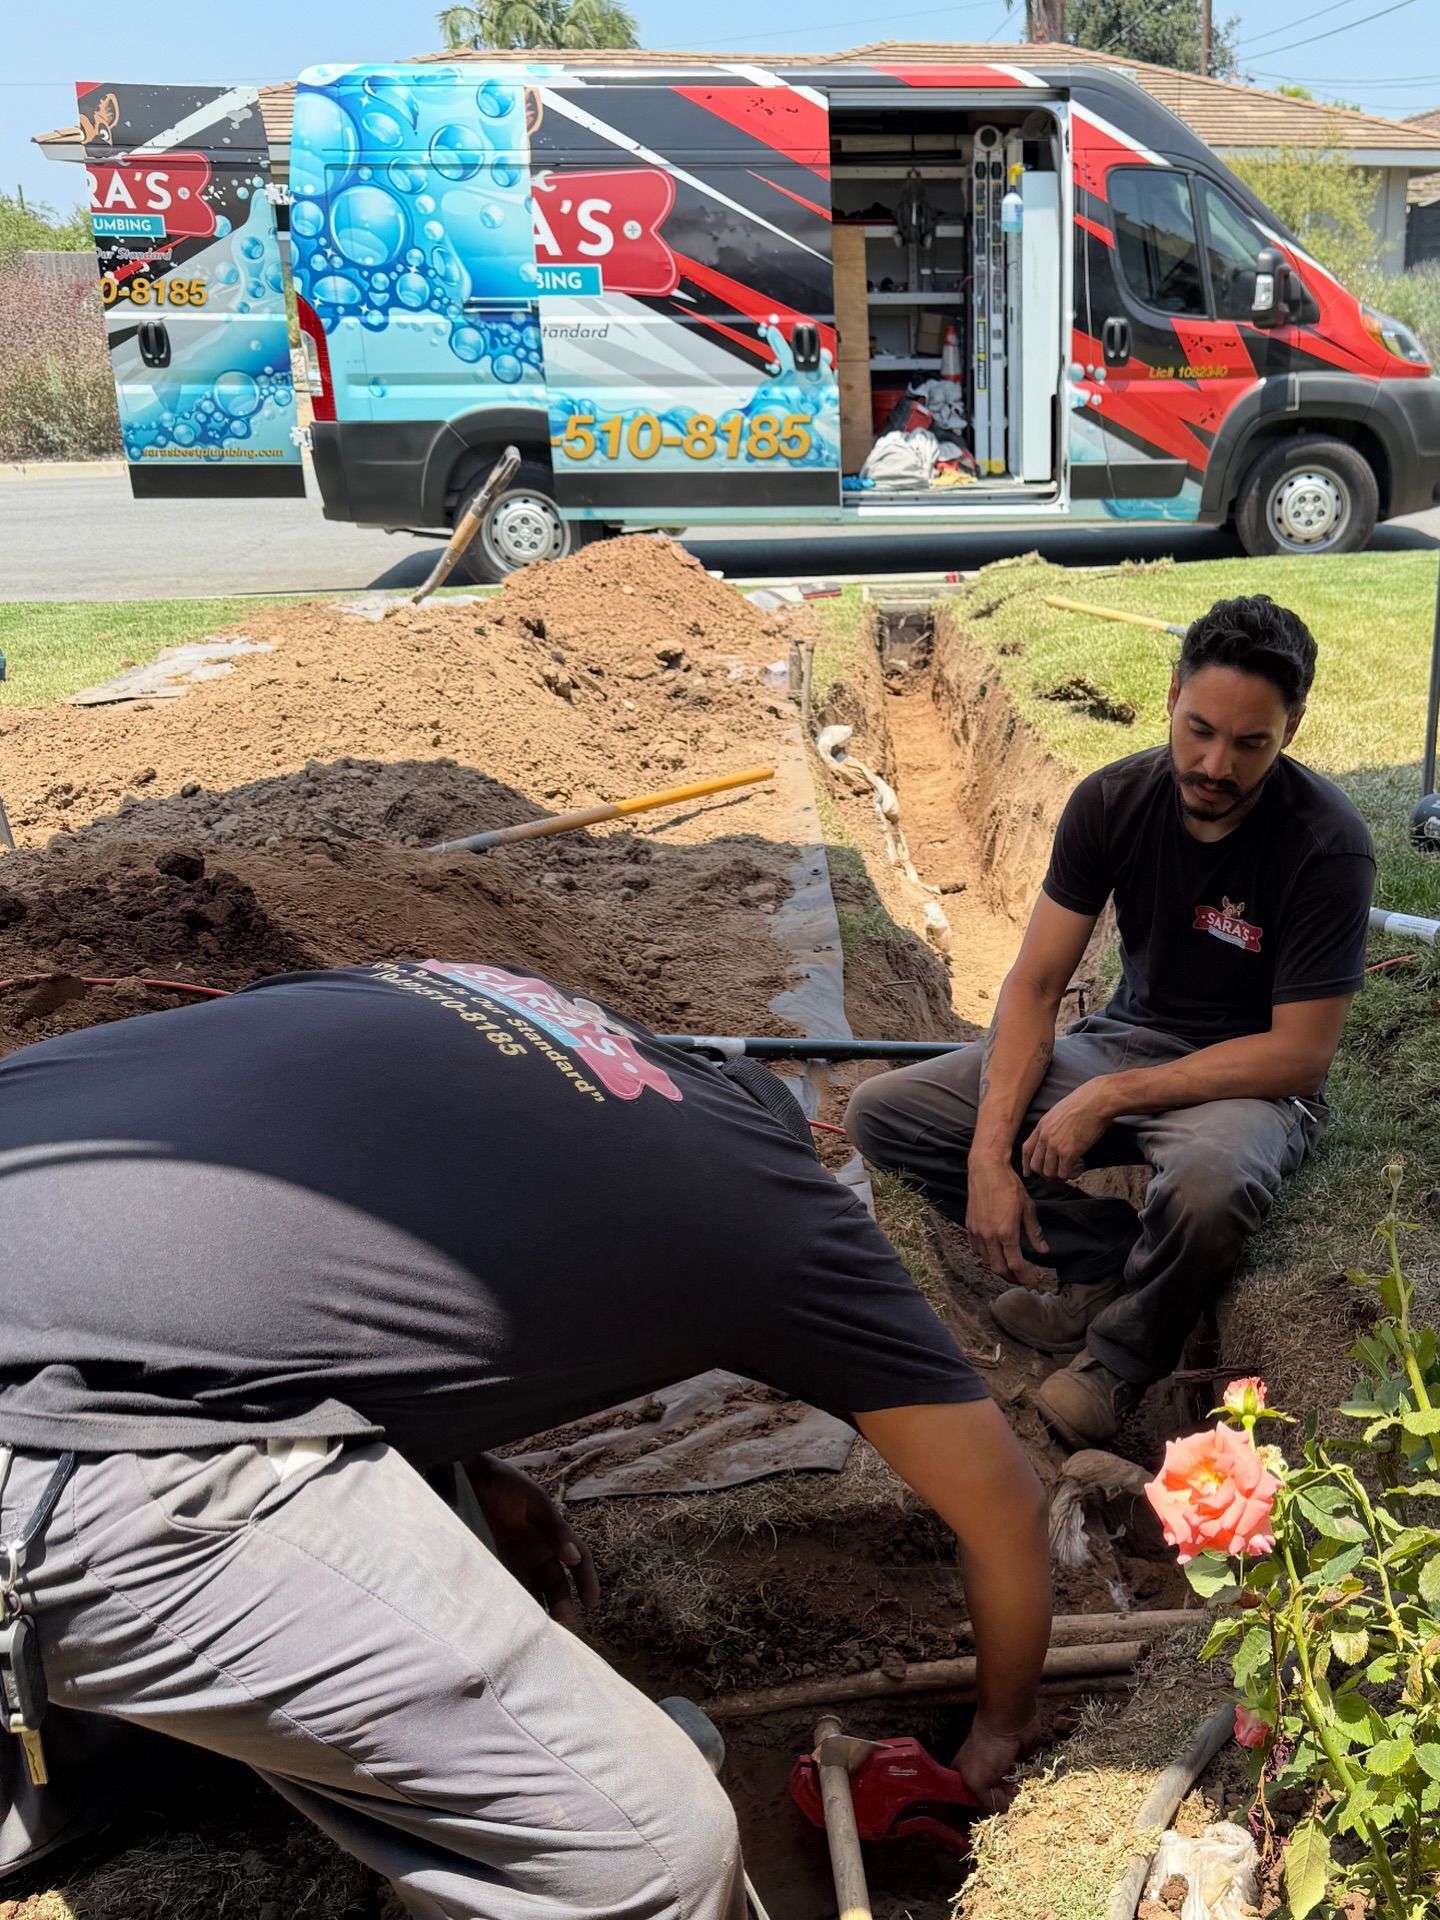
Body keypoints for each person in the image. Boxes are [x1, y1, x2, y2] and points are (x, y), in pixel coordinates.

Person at [0, 958, 1049, 1918]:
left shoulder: (473, 988)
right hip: (68, 1454)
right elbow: (1006, 1514)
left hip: (50, 1248)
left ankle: (110, 1744)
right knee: (659, 1856)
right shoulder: (784, 1222)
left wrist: (481, 1471)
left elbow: (306, 1225)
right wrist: (997, 1730)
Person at [847, 595, 1375, 1449]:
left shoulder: (1327, 843)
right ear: (1170, 694)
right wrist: (989, 1154)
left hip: (1249, 1080)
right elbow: (1035, 986)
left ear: (1294, 727)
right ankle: (1100, 1260)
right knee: (887, 1114)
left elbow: (1300, 1055)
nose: (1214, 764)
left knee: (1209, 1184)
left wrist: (1112, 1096)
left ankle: (1121, 1360)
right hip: (1126, 1041)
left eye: (1250, 744)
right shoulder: (1112, 803)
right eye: (1199, 728)